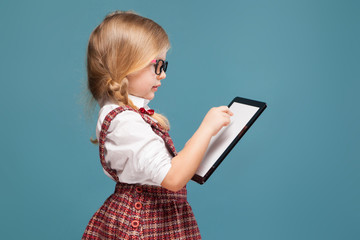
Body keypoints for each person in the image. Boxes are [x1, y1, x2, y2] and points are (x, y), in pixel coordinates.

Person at [82, 10, 233, 240]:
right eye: (157, 64)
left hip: (157, 219)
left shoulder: (127, 114)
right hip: (144, 225)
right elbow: (173, 178)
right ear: (126, 65)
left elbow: (167, 169)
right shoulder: (125, 122)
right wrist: (206, 128)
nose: (162, 75)